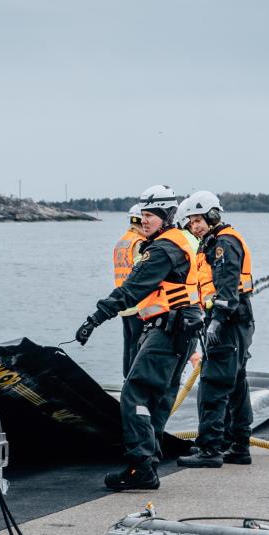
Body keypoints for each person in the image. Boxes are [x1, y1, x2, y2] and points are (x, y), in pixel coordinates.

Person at [75, 184, 202, 490]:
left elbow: (133, 288)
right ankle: (148, 462)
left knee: (134, 393)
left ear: (166, 215)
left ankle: (140, 466)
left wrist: (95, 318)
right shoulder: (183, 240)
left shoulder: (161, 249)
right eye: (143, 215)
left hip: (168, 329)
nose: (145, 221)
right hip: (184, 329)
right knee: (158, 399)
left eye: (151, 216)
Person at [177, 191, 254, 468]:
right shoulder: (216, 241)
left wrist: (217, 320)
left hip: (228, 322)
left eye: (198, 220)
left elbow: (227, 286)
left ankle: (210, 449)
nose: (195, 227)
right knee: (236, 384)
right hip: (236, 321)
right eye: (191, 223)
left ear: (212, 216)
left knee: (213, 384)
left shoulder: (222, 243)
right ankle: (239, 445)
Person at [113, 204, 149, 377]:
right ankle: (134, 384)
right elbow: (142, 273)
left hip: (123, 302)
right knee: (137, 345)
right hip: (137, 304)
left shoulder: (122, 241)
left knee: (128, 344)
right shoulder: (139, 243)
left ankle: (126, 380)